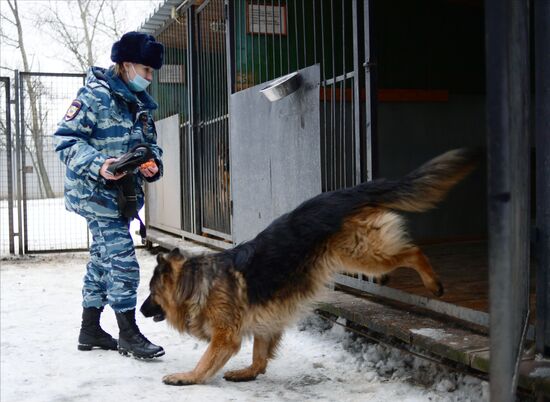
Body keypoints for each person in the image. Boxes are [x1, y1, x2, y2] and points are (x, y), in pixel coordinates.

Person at [54, 31, 165, 359]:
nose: (149, 78)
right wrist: (100, 165)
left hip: (123, 196)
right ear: (127, 64)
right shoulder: (94, 96)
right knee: (122, 260)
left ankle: (90, 330)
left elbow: (151, 146)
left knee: (102, 260)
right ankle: (128, 333)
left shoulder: (141, 105)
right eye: (145, 71)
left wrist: (151, 164)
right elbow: (65, 140)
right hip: (93, 193)